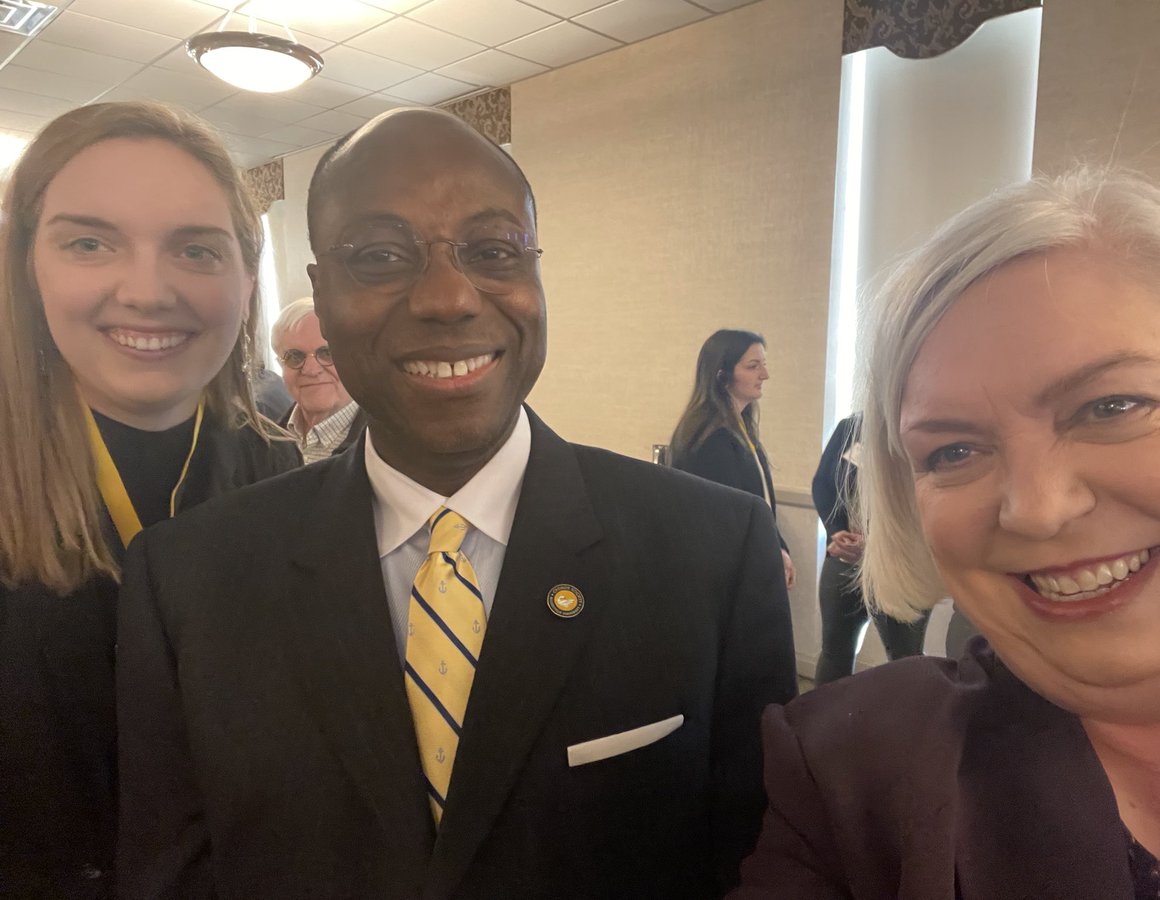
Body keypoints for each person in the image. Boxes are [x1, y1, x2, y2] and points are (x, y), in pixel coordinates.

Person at [116, 108, 797, 899]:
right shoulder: (188, 579)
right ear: (321, 296)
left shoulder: (713, 547)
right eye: (378, 255)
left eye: (493, 250)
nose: (447, 297)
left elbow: (755, 858)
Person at [731, 168, 1160, 898]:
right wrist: (838, 530)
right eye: (953, 451)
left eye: (1111, 406)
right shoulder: (852, 775)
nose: (1037, 510)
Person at [0, 101, 299, 898]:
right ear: (27, 264)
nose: (146, 291)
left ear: (245, 277)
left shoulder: (286, 474)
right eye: (90, 242)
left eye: (195, 249)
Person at [669, 330, 797, 589]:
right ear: (722, 374)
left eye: (764, 364)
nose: (764, 375)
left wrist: (779, 548)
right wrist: (768, 555)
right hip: (724, 574)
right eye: (753, 366)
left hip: (748, 562)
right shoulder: (711, 439)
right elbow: (726, 520)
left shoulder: (741, 427)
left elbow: (760, 502)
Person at [811, 413, 928, 683]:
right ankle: (823, 722)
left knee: (906, 660)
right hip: (846, 560)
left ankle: (908, 725)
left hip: (901, 565)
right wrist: (837, 530)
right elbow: (823, 485)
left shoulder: (924, 428)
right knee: (834, 653)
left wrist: (878, 540)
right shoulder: (852, 428)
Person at [271, 296, 365, 462]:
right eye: (295, 356)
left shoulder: (386, 444)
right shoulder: (263, 445)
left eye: (327, 353)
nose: (311, 370)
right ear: (280, 364)